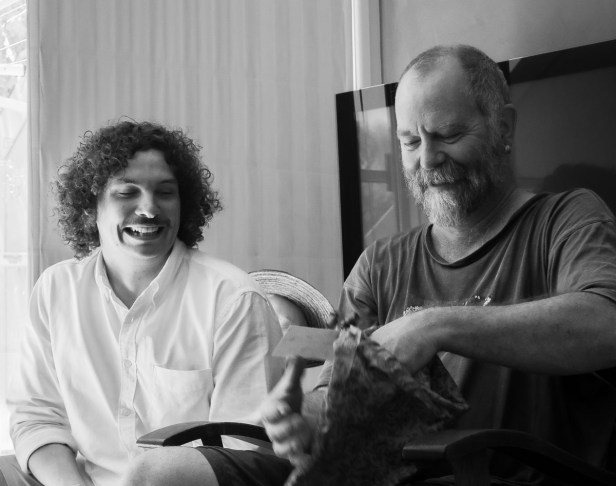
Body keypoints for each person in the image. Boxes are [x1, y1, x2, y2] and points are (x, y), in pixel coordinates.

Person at [123, 44, 616, 486]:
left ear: (503, 128)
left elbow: (606, 322)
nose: (428, 159)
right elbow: (333, 386)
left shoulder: (567, 218)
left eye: (447, 134)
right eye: (410, 141)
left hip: (497, 476)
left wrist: (432, 327)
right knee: (156, 473)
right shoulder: (380, 262)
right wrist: (302, 416)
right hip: (375, 471)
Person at [4, 120, 284, 486]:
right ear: (90, 206)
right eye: (127, 192)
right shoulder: (56, 289)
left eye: (165, 192)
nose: (149, 208)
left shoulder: (234, 300)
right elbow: (38, 418)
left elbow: (243, 453)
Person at [120, 269, 335, 485]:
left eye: (285, 329)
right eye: (263, 320)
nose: (271, 332)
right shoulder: (203, 363)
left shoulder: (309, 393)